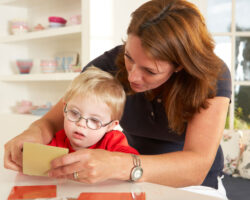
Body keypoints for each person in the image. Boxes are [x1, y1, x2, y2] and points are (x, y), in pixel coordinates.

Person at [4, 0, 231, 197]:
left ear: (180, 65)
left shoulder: (211, 76)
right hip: (127, 179)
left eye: (150, 71)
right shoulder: (108, 65)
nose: (132, 76)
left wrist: (119, 166)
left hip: (195, 188)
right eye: (129, 57)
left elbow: (196, 167)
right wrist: (31, 134)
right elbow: (53, 120)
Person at [47, 66, 139, 159]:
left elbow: (132, 162)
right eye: (74, 113)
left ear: (110, 126)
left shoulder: (113, 141)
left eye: (94, 120)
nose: (81, 124)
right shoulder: (58, 140)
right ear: (64, 109)